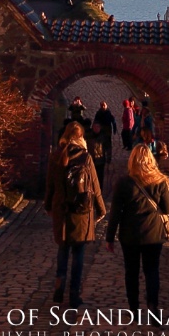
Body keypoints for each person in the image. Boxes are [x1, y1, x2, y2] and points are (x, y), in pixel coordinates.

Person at [105, 144, 169, 316]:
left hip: (130, 234)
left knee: (132, 271)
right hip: (153, 234)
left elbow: (115, 213)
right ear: (151, 159)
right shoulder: (160, 181)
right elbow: (167, 209)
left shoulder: (123, 183)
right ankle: (152, 305)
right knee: (152, 270)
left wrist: (110, 237)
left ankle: (134, 307)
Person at [45, 122, 106, 306]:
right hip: (81, 211)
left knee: (63, 249)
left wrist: (48, 205)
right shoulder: (85, 157)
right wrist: (101, 209)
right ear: (81, 138)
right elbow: (95, 186)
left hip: (61, 210)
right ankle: (73, 294)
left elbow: (50, 185)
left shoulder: (55, 156)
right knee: (79, 253)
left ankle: (58, 287)